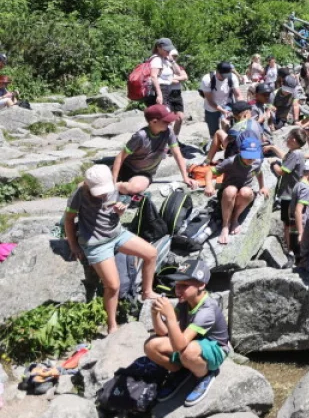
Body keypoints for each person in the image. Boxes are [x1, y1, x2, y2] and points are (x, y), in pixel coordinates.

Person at [64, 165, 162, 333]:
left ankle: (147, 291)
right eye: (98, 191)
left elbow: (116, 209)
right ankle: (112, 325)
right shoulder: (79, 194)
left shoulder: (114, 186)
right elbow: (68, 220)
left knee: (151, 253)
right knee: (113, 286)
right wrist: (73, 245)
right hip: (96, 243)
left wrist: (120, 211)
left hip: (117, 234)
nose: (102, 194)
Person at [145, 259, 230, 407]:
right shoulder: (185, 301)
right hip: (189, 343)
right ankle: (181, 372)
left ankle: (204, 375)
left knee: (187, 352)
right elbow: (163, 332)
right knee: (151, 346)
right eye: (177, 285)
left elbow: (179, 346)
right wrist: (155, 315)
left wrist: (171, 317)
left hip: (215, 348)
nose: (178, 290)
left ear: (201, 285)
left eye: (184, 285)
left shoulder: (207, 310)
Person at [111, 105, 198, 194]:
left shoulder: (168, 132)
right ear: (154, 121)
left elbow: (177, 154)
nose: (170, 123)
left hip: (143, 173)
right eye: (166, 121)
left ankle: (115, 187)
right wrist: (114, 179)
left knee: (135, 188)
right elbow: (120, 157)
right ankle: (113, 184)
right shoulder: (141, 136)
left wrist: (185, 177)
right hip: (126, 168)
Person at [207, 136, 266, 245]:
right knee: (231, 190)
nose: (251, 159)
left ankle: (235, 219)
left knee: (246, 192)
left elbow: (259, 172)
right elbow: (211, 172)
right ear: (240, 151)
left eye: (253, 156)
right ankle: (225, 225)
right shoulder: (230, 161)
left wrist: (262, 186)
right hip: (227, 194)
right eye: (248, 156)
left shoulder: (256, 162)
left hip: (243, 194)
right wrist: (209, 185)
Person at [270, 129, 309, 254]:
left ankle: (291, 250)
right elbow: (285, 158)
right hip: (292, 194)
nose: (286, 139)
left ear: (293, 140)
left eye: (288, 137)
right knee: (290, 223)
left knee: (288, 224)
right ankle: (294, 249)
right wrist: (273, 148)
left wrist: (273, 164)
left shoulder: (295, 154)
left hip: (289, 195)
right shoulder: (296, 152)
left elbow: (282, 171)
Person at [147, 39, 185, 135]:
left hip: (166, 90)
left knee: (167, 118)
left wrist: (172, 61)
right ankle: (165, 143)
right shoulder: (156, 59)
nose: (168, 51)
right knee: (165, 118)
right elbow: (153, 77)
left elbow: (178, 72)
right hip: (161, 90)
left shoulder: (164, 59)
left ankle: (169, 142)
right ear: (158, 48)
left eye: (169, 49)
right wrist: (159, 95)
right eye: (165, 49)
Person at [199, 62, 242, 138]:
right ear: (217, 72)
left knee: (226, 123)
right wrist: (222, 110)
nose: (225, 77)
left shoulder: (232, 77)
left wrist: (243, 108)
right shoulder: (207, 79)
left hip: (227, 103)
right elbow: (210, 101)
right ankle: (216, 144)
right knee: (214, 133)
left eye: (226, 75)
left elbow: (238, 95)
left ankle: (228, 141)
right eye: (223, 76)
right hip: (211, 107)